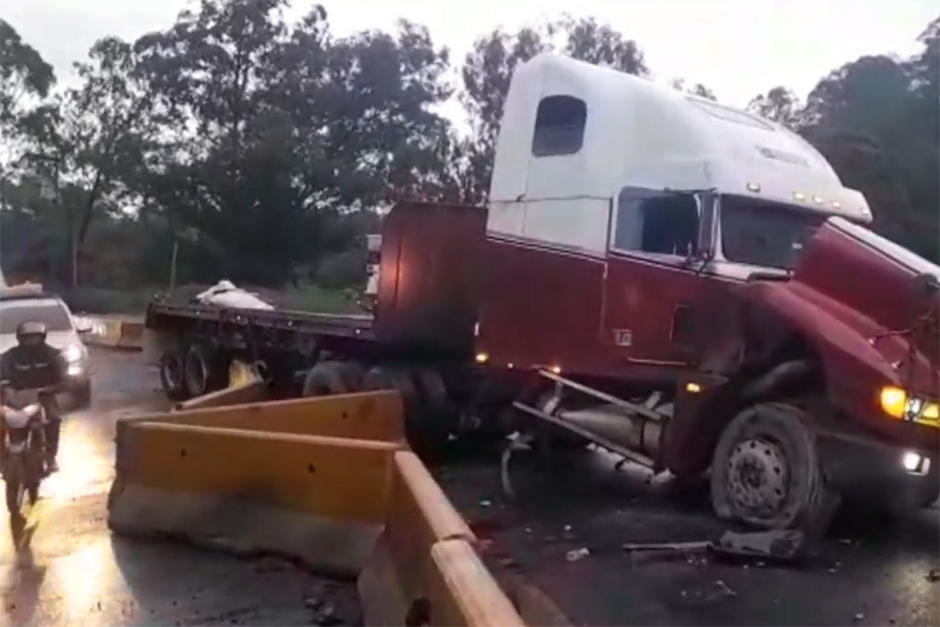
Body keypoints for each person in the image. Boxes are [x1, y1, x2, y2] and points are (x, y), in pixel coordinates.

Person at [0, 321, 67, 472]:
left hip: (44, 397)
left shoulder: (53, 355)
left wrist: (52, 388)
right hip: (15, 397)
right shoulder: (9, 357)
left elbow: (64, 378)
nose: (31, 342)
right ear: (19, 338)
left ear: (42, 338)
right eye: (27, 338)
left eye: (35, 338)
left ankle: (50, 457)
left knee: (54, 419)